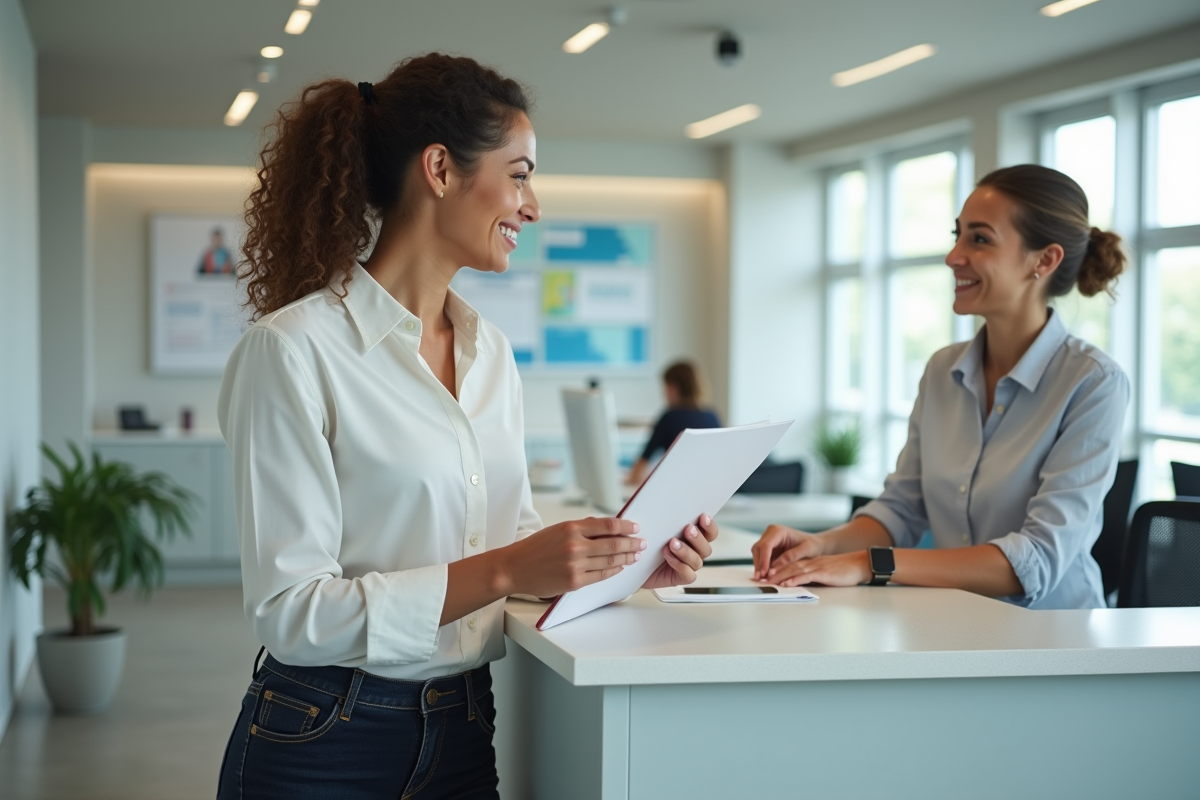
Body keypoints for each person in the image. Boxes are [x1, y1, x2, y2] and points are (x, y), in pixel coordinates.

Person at [215, 54, 718, 800]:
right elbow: (293, 612)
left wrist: (626, 564)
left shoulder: (491, 356)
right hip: (324, 737)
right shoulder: (293, 351)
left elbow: (508, 554)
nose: (532, 204)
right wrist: (510, 569)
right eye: (519, 175)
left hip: (462, 727)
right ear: (441, 169)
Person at [753, 164, 1128, 610]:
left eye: (980, 239)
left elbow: (1035, 560)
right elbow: (901, 510)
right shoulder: (942, 371)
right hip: (953, 627)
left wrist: (872, 564)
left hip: (1059, 644)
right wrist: (821, 545)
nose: (954, 256)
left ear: (1044, 261)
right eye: (958, 235)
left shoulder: (1093, 383)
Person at [626, 360, 721, 486]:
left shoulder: (670, 417)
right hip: (708, 486)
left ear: (673, 387)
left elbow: (643, 462)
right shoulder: (712, 416)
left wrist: (629, 479)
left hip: (676, 487)